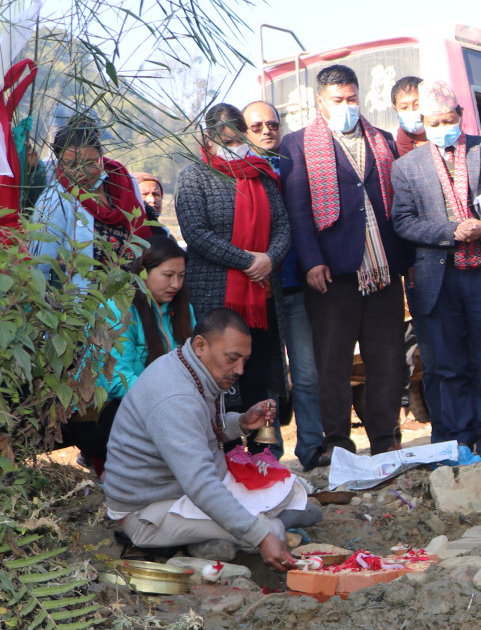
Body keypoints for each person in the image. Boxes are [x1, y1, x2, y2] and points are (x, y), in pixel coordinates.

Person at [103, 308, 314, 569]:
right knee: (272, 530)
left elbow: (196, 434)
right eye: (232, 359)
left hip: (184, 492)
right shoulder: (176, 397)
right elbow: (200, 483)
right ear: (201, 345)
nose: (240, 369)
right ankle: (207, 544)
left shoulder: (189, 366)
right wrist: (261, 536)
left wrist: (241, 423)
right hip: (149, 512)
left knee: (300, 498)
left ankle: (212, 536)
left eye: (244, 360)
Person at [282, 63, 409, 456]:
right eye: (338, 100)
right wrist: (311, 261)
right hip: (332, 275)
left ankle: (385, 439)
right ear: (320, 101)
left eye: (352, 98)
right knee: (333, 365)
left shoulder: (382, 140)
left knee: (387, 362)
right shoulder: (298, 144)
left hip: (383, 271)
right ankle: (337, 442)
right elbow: (299, 210)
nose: (347, 106)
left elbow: (398, 205)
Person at [390, 79, 481, 454]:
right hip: (437, 276)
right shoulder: (406, 166)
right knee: (448, 363)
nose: (441, 128)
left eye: (447, 119)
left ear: (460, 115)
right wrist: (452, 231)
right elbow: (403, 221)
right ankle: (459, 438)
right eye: (432, 122)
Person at [176, 103, 291, 454]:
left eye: (237, 139)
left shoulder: (261, 172)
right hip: (218, 298)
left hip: (264, 297)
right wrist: (246, 261)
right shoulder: (194, 176)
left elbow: (283, 225)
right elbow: (196, 232)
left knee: (259, 374)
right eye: (224, 141)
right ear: (209, 139)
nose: (233, 147)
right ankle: (223, 458)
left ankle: (265, 457)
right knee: (219, 378)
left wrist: (270, 258)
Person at [64, 236, 195, 475]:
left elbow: (194, 364)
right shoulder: (118, 310)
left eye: (182, 276)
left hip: (161, 403)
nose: (176, 284)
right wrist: (167, 400)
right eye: (168, 275)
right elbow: (115, 380)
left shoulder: (182, 310)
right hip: (106, 411)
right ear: (143, 272)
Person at [243, 98, 325, 470]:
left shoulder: (297, 165)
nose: (266, 131)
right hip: (258, 292)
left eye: (272, 124)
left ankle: (311, 447)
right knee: (267, 378)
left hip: (297, 288)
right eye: (257, 126)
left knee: (306, 374)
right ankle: (268, 455)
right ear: (244, 132)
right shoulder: (239, 172)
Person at [389, 73, 444, 440]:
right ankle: (431, 414)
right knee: (423, 345)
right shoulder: (391, 151)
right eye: (405, 108)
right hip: (414, 265)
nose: (413, 114)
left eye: (417, 107)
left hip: (455, 260)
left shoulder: (446, 141)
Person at [30, 115, 151, 268]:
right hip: (84, 290)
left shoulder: (124, 181)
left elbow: (142, 233)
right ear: (59, 163)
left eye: (90, 163)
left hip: (131, 288)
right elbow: (40, 264)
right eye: (72, 165)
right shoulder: (54, 200)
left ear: (101, 156)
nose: (82, 172)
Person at [391, 75, 427, 156]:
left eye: (417, 104)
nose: (411, 110)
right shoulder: (394, 151)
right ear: (395, 109)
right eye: (404, 107)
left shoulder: (443, 141)